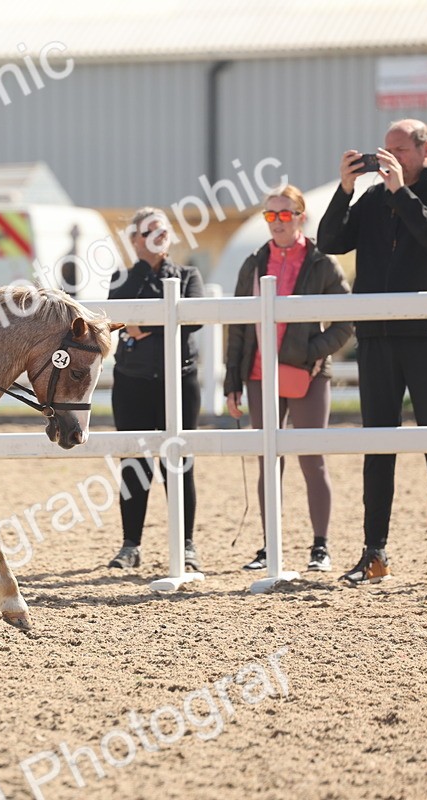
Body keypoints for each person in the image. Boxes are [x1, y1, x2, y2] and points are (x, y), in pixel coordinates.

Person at [317, 119, 427, 586]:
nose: (389, 158)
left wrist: (402, 193)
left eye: (399, 150)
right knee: (377, 447)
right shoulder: (373, 196)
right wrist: (345, 190)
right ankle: (374, 554)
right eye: (385, 150)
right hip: (378, 339)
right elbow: (329, 242)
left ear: (426, 149)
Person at [224, 185, 354, 573]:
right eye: (270, 215)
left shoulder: (321, 263)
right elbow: (238, 326)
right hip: (259, 375)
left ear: (300, 216)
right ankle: (269, 546)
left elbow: (345, 321)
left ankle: (320, 546)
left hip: (307, 375)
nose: (277, 222)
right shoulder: (253, 262)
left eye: (284, 214)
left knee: (312, 460)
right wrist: (233, 380)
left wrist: (312, 352)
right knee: (269, 462)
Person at [106, 208, 203, 571]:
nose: (159, 234)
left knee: (180, 462)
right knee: (134, 463)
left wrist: (145, 326)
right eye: (149, 230)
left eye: (163, 228)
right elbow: (119, 317)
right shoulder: (121, 278)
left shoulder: (189, 275)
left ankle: (186, 544)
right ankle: (131, 544)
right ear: (134, 239)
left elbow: (191, 322)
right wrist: (145, 274)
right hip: (132, 382)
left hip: (180, 380)